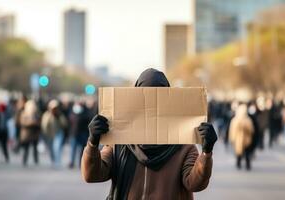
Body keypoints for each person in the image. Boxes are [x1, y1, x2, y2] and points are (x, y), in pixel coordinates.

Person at [81, 68, 217, 200]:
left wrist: (206, 153)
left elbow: (195, 183)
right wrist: (92, 143)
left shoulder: (184, 144)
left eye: (158, 96)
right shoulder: (118, 143)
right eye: (146, 97)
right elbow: (92, 175)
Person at [41, 100, 67, 168]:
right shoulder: (46, 115)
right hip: (49, 135)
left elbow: (64, 124)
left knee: (57, 148)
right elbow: (44, 125)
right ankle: (53, 160)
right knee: (51, 149)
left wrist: (58, 117)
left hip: (58, 133)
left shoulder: (60, 115)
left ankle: (57, 162)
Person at [229, 104, 254, 170]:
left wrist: (232, 138)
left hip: (242, 139)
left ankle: (241, 163)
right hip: (242, 139)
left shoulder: (235, 120)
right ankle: (243, 164)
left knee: (241, 152)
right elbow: (251, 130)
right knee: (243, 152)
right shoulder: (247, 120)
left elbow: (232, 130)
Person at [19, 100, 41, 166]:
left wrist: (36, 123)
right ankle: (24, 161)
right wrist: (31, 123)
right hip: (27, 134)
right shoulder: (24, 114)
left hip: (34, 134)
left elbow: (40, 123)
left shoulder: (37, 114)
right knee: (26, 149)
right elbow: (22, 123)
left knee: (35, 148)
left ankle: (36, 160)